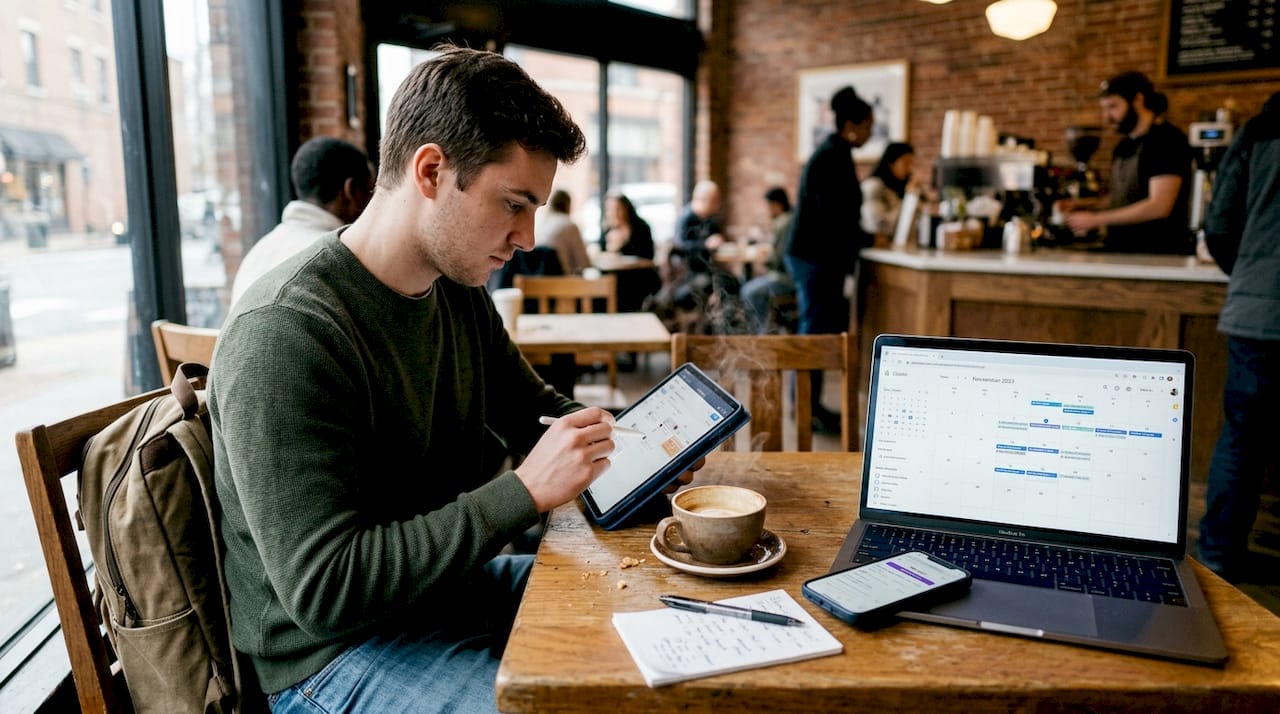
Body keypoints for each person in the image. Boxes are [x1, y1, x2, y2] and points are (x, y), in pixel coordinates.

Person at [209, 47, 696, 713]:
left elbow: (535, 413)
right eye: (513, 204)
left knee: (664, 610)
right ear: (432, 171)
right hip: (328, 656)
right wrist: (522, 493)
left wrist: (638, 450)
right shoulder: (287, 332)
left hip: (440, 590)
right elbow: (325, 590)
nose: (527, 236)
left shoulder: (456, 287)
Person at [1196, 91, 1280, 581]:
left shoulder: (1260, 130)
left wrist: (1252, 276)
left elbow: (1220, 226)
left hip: (1260, 308)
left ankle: (1218, 561)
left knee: (1243, 438)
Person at [786, 85, 874, 431]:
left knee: (818, 330)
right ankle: (807, 409)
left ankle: (811, 407)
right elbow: (834, 218)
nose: (869, 132)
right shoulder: (831, 156)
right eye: (867, 125)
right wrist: (867, 238)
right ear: (851, 125)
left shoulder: (836, 153)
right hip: (814, 258)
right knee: (815, 334)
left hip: (815, 256)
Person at [1060, 71, 1193, 255]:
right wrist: (1086, 205)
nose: (1106, 117)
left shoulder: (1166, 140)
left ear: (1138, 99)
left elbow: (1159, 206)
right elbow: (1121, 197)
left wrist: (1096, 219)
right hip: (1121, 248)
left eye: (1113, 107)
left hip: (1158, 253)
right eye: (1104, 109)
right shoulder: (1123, 146)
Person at [229, 136, 373, 306]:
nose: (372, 201)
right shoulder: (340, 259)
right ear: (352, 190)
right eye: (370, 190)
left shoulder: (260, 251)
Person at [741, 187, 795, 333]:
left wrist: (765, 258)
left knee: (749, 291)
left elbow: (779, 260)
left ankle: (763, 333)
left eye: (768, 206)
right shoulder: (788, 220)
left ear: (776, 205)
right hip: (787, 276)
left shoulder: (785, 223)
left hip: (786, 279)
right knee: (748, 285)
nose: (767, 211)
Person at [599, 191, 661, 312]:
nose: (614, 213)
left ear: (626, 208)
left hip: (638, 276)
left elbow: (648, 255)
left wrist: (622, 244)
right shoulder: (608, 229)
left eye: (617, 208)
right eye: (610, 209)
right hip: (614, 277)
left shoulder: (641, 227)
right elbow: (602, 253)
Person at [860, 142, 915, 240]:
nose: (909, 168)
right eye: (906, 163)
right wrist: (909, 198)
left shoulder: (898, 188)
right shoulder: (873, 187)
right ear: (891, 162)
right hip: (874, 249)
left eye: (911, 163)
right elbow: (881, 227)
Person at [535, 189, 590, 275]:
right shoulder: (569, 225)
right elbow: (584, 263)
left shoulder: (537, 222)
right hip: (560, 283)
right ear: (568, 205)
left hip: (530, 283)